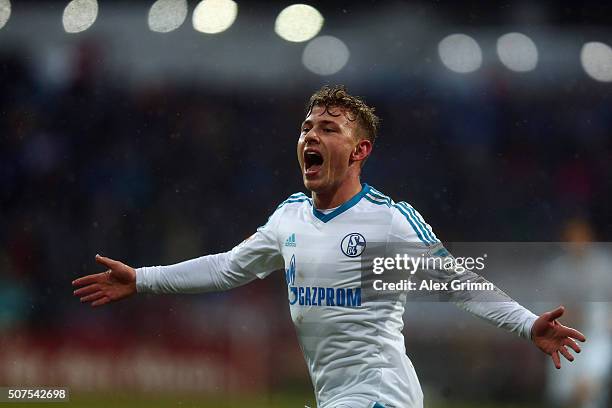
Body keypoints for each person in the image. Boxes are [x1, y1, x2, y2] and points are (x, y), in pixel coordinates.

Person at [73, 85, 586, 408]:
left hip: (382, 395)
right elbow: (229, 268)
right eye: (306, 127)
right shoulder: (288, 217)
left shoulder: (389, 220)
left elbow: (459, 285)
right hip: (333, 397)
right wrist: (142, 278)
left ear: (360, 150)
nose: (310, 135)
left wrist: (525, 323)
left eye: (328, 128)